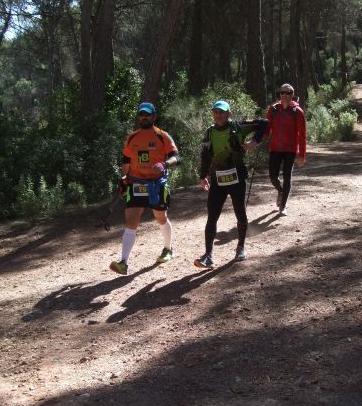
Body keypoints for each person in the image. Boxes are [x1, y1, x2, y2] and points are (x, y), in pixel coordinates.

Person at [109, 102, 180, 275]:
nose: (144, 118)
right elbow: (126, 161)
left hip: (157, 183)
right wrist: (123, 180)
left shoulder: (163, 136)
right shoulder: (132, 137)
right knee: (131, 220)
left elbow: (176, 157)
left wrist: (165, 164)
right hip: (136, 183)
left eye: (147, 115)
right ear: (138, 117)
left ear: (154, 116)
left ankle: (168, 249)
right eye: (141, 115)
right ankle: (123, 262)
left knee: (161, 217)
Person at [194, 100, 268, 268]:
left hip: (237, 178)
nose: (219, 115)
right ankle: (208, 255)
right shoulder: (210, 132)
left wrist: (253, 142)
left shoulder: (238, 127)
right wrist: (203, 175)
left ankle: (240, 247)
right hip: (218, 179)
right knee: (212, 216)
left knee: (240, 213)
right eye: (216, 112)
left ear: (229, 114)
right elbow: (205, 155)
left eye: (222, 112)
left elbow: (264, 123)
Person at [262, 83, 306, 216]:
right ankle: (281, 191)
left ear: (292, 95)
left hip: (290, 149)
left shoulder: (297, 111)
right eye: (282, 92)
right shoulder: (273, 109)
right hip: (275, 147)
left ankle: (283, 206)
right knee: (272, 176)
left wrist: (302, 155)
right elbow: (266, 127)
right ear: (280, 94)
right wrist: (260, 138)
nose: (285, 95)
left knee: (287, 177)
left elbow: (302, 135)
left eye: (288, 93)